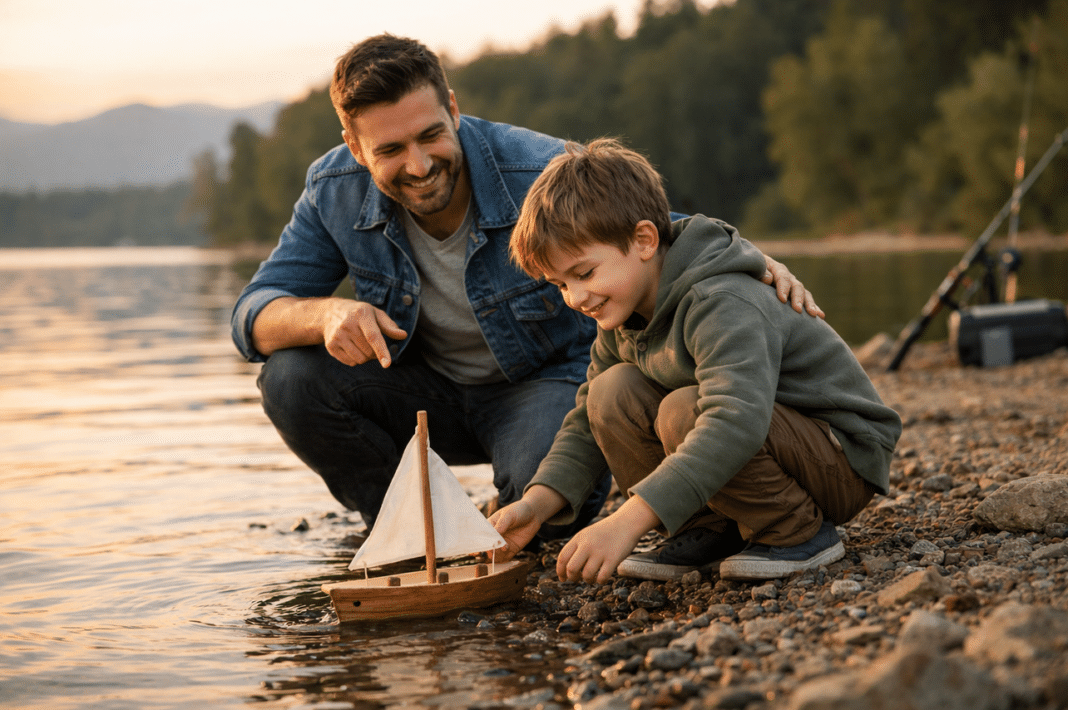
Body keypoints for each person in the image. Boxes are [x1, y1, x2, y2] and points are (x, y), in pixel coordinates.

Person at [231, 34, 819, 540]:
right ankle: (408, 532)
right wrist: (326, 317)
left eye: (430, 135)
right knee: (290, 377)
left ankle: (515, 519)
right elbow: (251, 314)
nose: (417, 164)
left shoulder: (537, 167)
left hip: (542, 391)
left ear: (454, 110)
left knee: (534, 516)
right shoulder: (332, 188)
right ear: (355, 146)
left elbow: (648, 230)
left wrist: (743, 257)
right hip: (422, 398)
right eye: (389, 150)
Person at [492, 138, 902, 582]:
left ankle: (794, 531)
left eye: (584, 273)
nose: (576, 297)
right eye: (559, 285)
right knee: (610, 393)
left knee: (683, 411)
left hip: (840, 457)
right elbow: (585, 426)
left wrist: (626, 522)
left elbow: (734, 421)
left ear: (645, 240)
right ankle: (704, 529)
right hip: (770, 444)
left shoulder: (721, 298)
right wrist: (535, 504)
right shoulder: (621, 313)